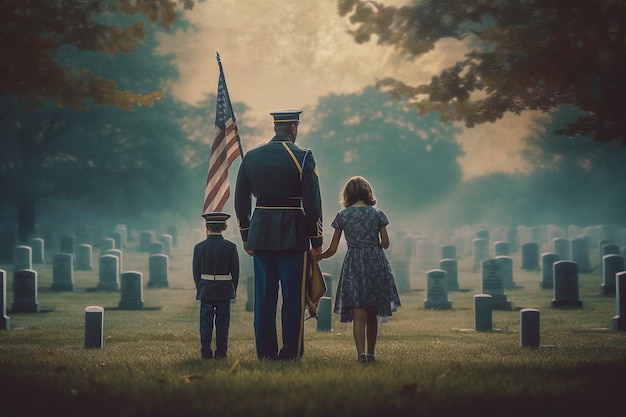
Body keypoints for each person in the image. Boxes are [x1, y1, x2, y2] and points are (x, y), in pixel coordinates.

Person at [235, 109, 323, 361]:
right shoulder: (303, 156)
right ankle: (291, 353)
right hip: (293, 233)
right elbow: (312, 201)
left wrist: (245, 234)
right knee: (293, 298)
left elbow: (241, 199)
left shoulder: (251, 157)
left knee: (264, 298)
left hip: (261, 232)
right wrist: (316, 240)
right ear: (294, 127)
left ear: (276, 127)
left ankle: (265, 353)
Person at [315, 176, 400, 363]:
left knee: (359, 313)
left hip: (353, 263)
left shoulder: (342, 216)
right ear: (368, 192)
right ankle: (371, 354)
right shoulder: (378, 214)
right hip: (376, 263)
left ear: (347, 195)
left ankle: (360, 353)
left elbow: (332, 249)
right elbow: (385, 244)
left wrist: (317, 257)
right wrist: (372, 243)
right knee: (372, 313)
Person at [192, 212, 240, 359]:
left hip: (206, 287)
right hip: (224, 288)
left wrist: (200, 287)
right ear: (225, 227)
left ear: (206, 226)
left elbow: (196, 272)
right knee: (222, 323)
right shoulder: (231, 247)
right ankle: (221, 352)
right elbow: (235, 272)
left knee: (205, 323)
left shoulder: (199, 247)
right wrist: (233, 289)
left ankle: (205, 352)